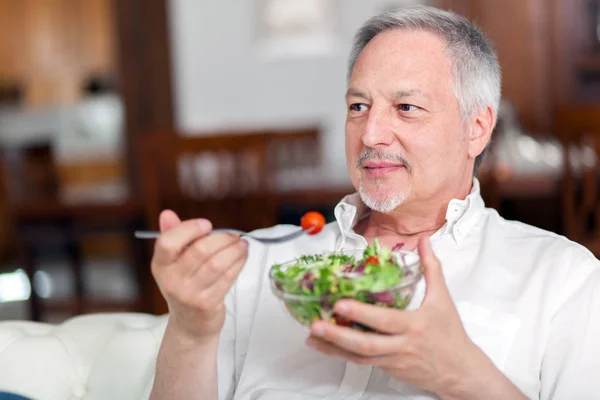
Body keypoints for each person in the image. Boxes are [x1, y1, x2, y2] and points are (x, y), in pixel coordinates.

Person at [148, 5, 600, 400]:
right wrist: (189, 330)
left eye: (406, 108)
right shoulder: (255, 263)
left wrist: (466, 377)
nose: (370, 134)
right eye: (358, 107)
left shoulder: (562, 279)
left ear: (476, 129)